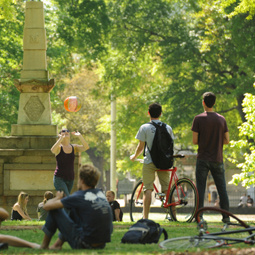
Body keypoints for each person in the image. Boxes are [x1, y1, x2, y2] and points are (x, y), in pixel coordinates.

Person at [40, 164, 113, 250]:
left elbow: (46, 206)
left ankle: (44, 246)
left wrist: (57, 197)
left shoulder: (79, 196)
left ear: (81, 180)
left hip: (85, 244)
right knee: (74, 209)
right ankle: (57, 244)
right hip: (101, 244)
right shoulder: (100, 194)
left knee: (55, 210)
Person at [130, 103, 174, 219]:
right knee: (167, 188)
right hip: (164, 162)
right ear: (160, 113)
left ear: (148, 113)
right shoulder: (167, 128)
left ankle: (145, 217)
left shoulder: (145, 127)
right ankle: (173, 215)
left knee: (148, 188)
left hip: (149, 161)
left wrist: (134, 156)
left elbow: (140, 147)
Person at [191, 92, 230, 222]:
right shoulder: (221, 119)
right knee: (222, 188)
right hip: (217, 158)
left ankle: (199, 216)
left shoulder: (198, 119)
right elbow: (227, 140)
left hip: (202, 158)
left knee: (200, 189)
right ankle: (226, 217)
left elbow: (195, 141)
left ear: (203, 102)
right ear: (214, 103)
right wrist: (217, 140)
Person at [51, 129, 89, 196]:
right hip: (59, 178)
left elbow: (86, 147)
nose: (66, 132)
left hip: (70, 178)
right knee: (67, 198)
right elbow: (53, 150)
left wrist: (80, 136)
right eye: (63, 131)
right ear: (60, 134)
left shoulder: (74, 147)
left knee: (64, 200)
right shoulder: (59, 148)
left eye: (67, 131)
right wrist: (60, 139)